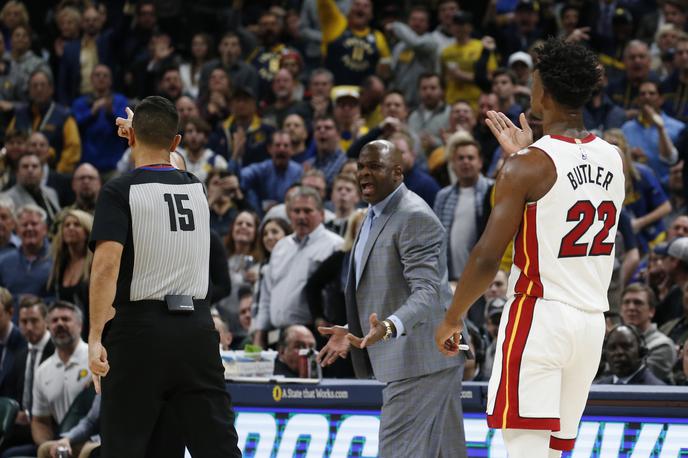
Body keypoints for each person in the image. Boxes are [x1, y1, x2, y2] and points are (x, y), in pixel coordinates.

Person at [435, 38, 625, 457]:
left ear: (545, 93)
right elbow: (561, 204)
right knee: (554, 453)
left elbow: (487, 254)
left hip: (540, 316)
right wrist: (524, 156)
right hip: (591, 324)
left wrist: (452, 316)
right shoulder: (614, 157)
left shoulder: (527, 166)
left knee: (525, 451)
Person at [88, 96, 241, 457]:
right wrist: (141, 133)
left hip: (139, 334)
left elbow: (106, 266)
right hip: (197, 335)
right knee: (214, 445)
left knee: (124, 445)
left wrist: (95, 336)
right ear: (176, 142)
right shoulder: (196, 187)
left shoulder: (118, 190)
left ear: (133, 139)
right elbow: (168, 164)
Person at [318, 139, 466, 457]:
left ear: (398, 172)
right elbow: (387, 289)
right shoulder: (374, 214)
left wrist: (388, 327)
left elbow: (427, 291)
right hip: (428, 361)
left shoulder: (414, 215)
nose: (364, 174)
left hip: (420, 360)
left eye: (375, 166)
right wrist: (354, 329)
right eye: (360, 166)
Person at [254, 187, 343, 347]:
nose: (301, 216)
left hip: (314, 334)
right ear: (290, 215)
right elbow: (267, 294)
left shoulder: (335, 245)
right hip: (278, 335)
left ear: (321, 214)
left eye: (308, 210)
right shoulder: (281, 246)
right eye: (297, 211)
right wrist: (260, 333)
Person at [619, 283, 676, 382]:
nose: (631, 307)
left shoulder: (663, 345)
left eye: (638, 303)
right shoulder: (612, 342)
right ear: (620, 310)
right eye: (626, 302)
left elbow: (634, 377)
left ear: (651, 311)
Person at [594, 324, 666, 385]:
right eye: (612, 348)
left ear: (641, 351)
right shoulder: (597, 388)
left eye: (626, 346)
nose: (619, 352)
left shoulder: (658, 391)